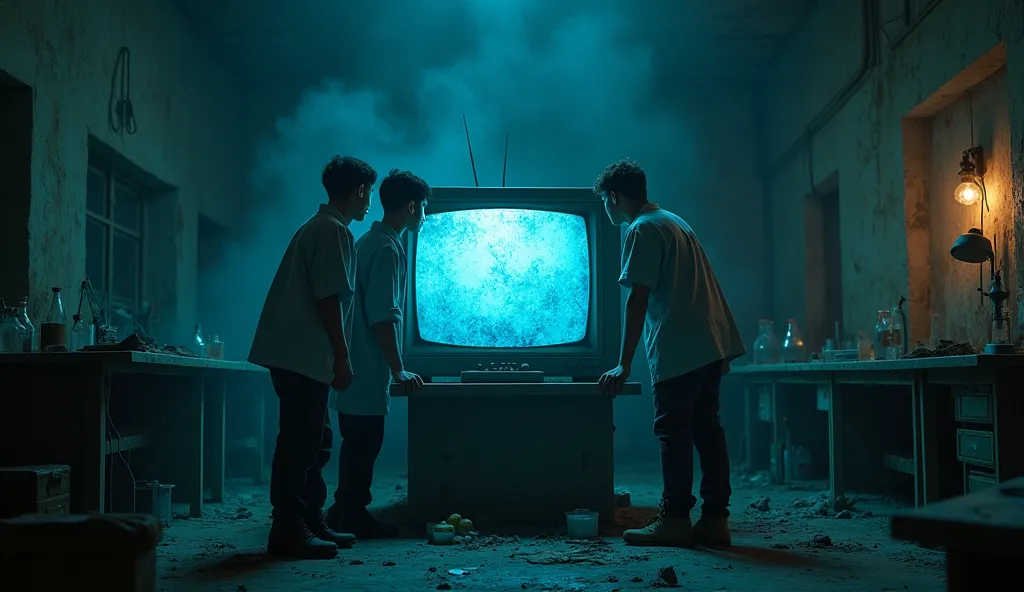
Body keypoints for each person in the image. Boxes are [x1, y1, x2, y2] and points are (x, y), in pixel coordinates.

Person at [594, 158, 746, 548]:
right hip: (708, 344)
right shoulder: (676, 221)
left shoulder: (642, 230)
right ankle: (715, 520)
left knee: (672, 433)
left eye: (606, 202)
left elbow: (638, 299)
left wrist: (624, 363)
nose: (607, 210)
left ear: (614, 197)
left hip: (680, 349)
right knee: (708, 431)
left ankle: (675, 518)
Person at [248, 155, 377, 559]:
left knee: (315, 441)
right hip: (302, 357)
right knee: (300, 444)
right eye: (368, 192)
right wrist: (342, 356)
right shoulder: (331, 231)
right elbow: (327, 299)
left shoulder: (320, 226)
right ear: (358, 190)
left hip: (300, 357)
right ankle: (287, 528)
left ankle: (310, 520)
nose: (369, 201)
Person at [326, 168, 429, 538]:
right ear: (413, 206)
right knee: (364, 444)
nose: (425, 216)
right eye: (423, 208)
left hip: (355, 366)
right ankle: (352, 516)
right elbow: (382, 318)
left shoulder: (368, 241)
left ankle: (343, 510)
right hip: (366, 368)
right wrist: (398, 369)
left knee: (356, 443)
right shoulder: (386, 248)